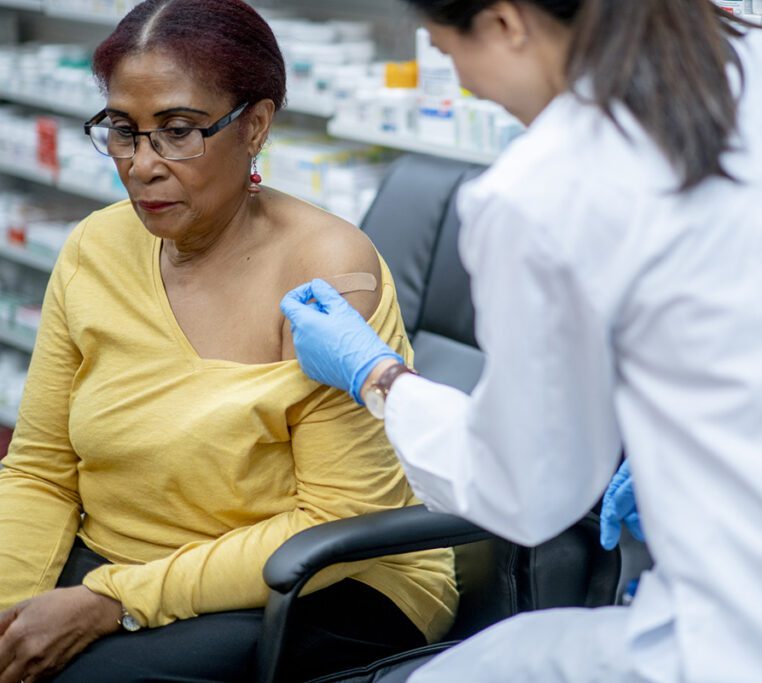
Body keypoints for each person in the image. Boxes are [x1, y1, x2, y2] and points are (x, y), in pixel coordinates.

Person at [281, 0, 762, 681]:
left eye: (448, 51)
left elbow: (523, 492)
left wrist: (379, 376)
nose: (465, 84)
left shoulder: (546, 185)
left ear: (508, 21)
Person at [0, 1, 456, 681]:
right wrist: (12, 608)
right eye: (123, 131)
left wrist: (113, 598)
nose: (142, 164)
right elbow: (39, 466)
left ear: (257, 125)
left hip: (319, 580)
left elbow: (337, 517)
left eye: (178, 131)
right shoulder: (95, 247)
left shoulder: (327, 271)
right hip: (127, 564)